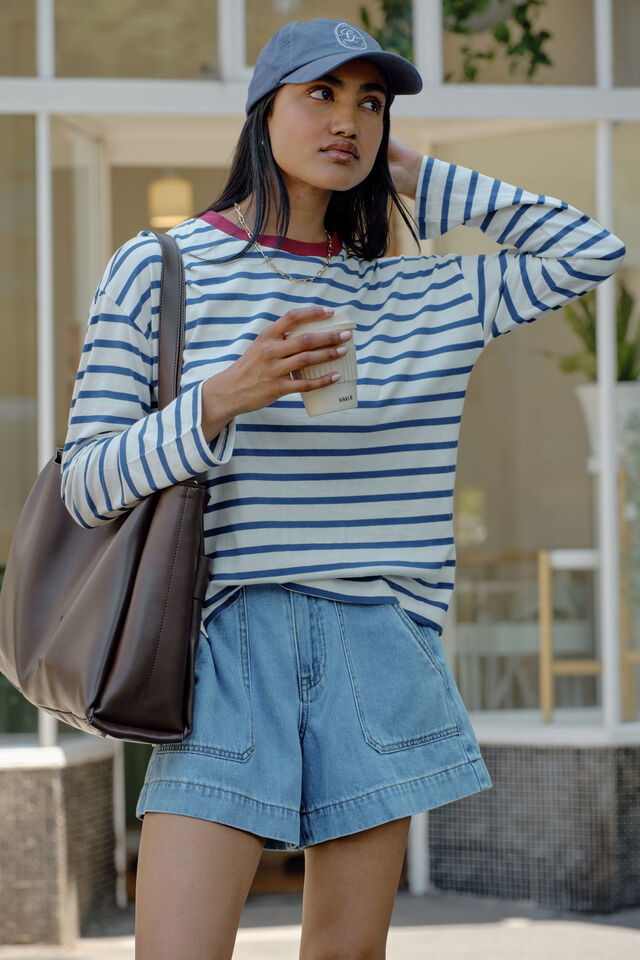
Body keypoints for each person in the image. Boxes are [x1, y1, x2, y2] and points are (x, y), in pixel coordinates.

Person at [60, 17, 626, 960]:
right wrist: (221, 400)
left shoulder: (422, 293)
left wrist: (412, 173)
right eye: (320, 95)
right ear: (262, 111)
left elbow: (590, 250)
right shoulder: (160, 270)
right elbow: (86, 484)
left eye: (370, 102)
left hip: (380, 642)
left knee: (347, 956)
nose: (347, 120)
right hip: (225, 641)